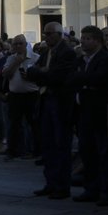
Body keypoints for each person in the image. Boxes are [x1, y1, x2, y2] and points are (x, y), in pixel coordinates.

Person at [28, 22, 80, 199]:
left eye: (50, 34)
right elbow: (32, 72)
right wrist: (43, 73)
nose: (46, 36)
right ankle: (50, 183)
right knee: (48, 145)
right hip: (45, 100)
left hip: (59, 102)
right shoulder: (45, 52)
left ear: (59, 34)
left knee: (60, 145)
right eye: (45, 33)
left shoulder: (67, 53)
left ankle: (62, 186)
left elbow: (57, 76)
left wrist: (43, 73)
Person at [73, 25, 108, 204]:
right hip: (84, 111)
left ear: (97, 40)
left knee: (104, 153)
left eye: (87, 38)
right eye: (82, 38)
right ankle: (91, 188)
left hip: (100, 112)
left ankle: (107, 191)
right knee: (87, 151)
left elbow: (98, 79)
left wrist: (82, 78)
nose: (83, 42)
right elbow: (73, 78)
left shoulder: (106, 59)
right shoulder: (83, 60)